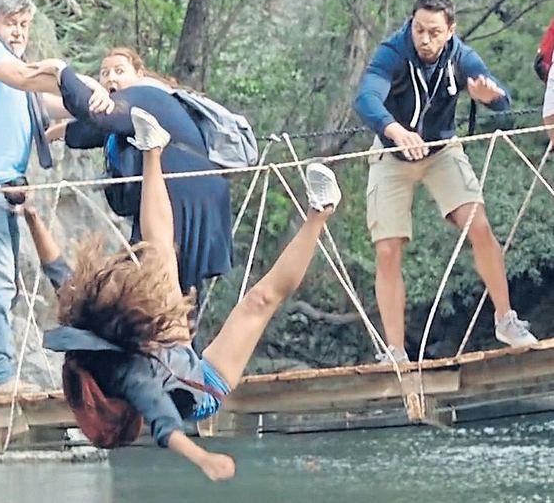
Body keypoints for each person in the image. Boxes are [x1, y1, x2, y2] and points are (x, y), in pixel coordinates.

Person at [24, 107, 342, 480]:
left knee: (158, 254)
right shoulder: (129, 377)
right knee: (260, 300)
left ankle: (152, 150)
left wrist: (30, 215)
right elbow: (164, 423)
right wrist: (202, 458)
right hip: (201, 387)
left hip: (164, 347)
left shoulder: (88, 332)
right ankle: (321, 211)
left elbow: (59, 274)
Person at [0, 0, 114, 400]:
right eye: (11, 23)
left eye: (23, 25)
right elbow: (29, 77)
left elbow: (52, 102)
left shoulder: (12, 77)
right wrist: (74, 76)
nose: (18, 32)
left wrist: (107, 101)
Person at [353, 0, 538, 363]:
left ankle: (506, 320)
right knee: (387, 249)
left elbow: (502, 99)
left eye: (434, 32)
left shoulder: (460, 56)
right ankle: (394, 351)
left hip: (442, 151)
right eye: (420, 29)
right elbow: (366, 97)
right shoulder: (393, 51)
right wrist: (394, 130)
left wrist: (491, 97)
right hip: (392, 153)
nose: (425, 39)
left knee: (479, 224)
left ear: (451, 30)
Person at [41, 48, 233, 335]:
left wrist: (61, 71)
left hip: (182, 190)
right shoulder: (127, 115)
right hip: (189, 193)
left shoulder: (147, 96)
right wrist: (50, 135)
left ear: (139, 75)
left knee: (156, 276)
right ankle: (177, 352)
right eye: (104, 74)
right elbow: (85, 133)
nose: (110, 78)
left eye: (120, 70)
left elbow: (97, 115)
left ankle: (169, 353)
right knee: (167, 281)